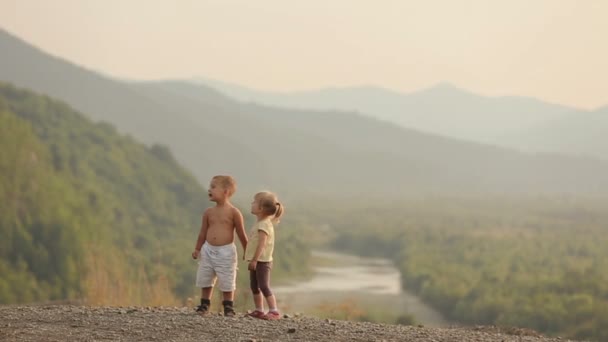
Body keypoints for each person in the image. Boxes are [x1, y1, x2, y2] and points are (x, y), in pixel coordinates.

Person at [192, 175, 247, 317]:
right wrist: (197, 248)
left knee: (227, 278)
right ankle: (204, 303)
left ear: (226, 191)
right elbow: (202, 233)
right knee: (205, 277)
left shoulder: (234, 212)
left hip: (226, 252)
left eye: (213, 187)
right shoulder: (208, 212)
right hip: (208, 249)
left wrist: (247, 250)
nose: (209, 190)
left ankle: (228, 306)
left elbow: (241, 233)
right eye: (210, 187)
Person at [245, 191, 284, 320]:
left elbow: (262, 244)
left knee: (264, 286)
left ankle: (274, 311)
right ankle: (259, 310)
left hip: (262, 261)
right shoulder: (261, 223)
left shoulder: (263, 225)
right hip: (257, 260)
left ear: (261, 208)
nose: (252, 204)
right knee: (254, 286)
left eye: (254, 202)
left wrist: (254, 260)